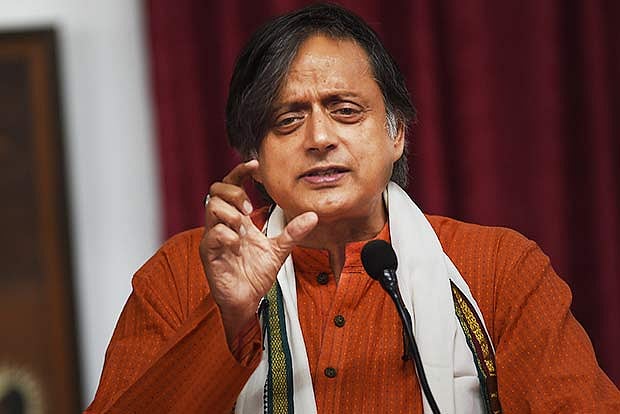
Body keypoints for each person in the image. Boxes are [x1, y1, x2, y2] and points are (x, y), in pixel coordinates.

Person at [85, 4, 620, 413]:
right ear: (254, 158)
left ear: (396, 135)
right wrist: (229, 319)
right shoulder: (184, 273)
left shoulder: (498, 268)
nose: (320, 138)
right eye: (288, 120)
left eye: (345, 110)